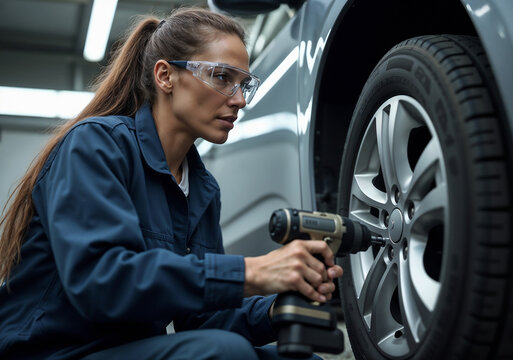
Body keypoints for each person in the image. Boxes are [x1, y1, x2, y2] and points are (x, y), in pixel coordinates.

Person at [0, 7, 344, 360]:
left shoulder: (202, 189)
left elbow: (202, 319)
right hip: (51, 352)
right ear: (165, 76)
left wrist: (278, 309)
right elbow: (102, 281)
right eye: (222, 77)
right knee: (225, 353)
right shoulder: (96, 146)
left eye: (244, 84)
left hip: (128, 350)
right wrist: (253, 271)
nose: (239, 100)